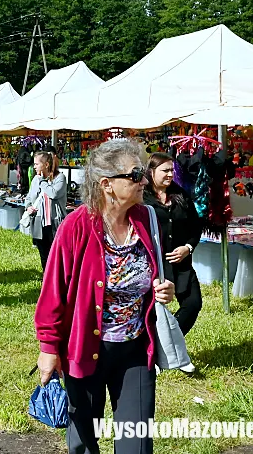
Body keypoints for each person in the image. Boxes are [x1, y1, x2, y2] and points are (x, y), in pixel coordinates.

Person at [35, 139, 175, 454]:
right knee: (84, 442)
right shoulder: (76, 226)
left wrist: (163, 288)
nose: (144, 181)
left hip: (135, 350)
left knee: (137, 444)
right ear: (106, 184)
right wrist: (48, 348)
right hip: (85, 349)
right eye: (135, 175)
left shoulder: (147, 218)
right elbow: (53, 294)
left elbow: (156, 272)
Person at [142, 153, 203, 340]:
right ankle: (152, 347)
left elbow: (196, 226)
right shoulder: (141, 198)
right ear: (151, 172)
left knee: (193, 304)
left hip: (181, 264)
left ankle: (168, 342)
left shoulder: (180, 194)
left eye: (172, 170)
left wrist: (188, 247)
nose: (170, 174)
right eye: (165, 170)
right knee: (151, 312)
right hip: (152, 266)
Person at [25, 151, 68, 271]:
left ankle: (58, 278)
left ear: (46, 165)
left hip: (55, 222)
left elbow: (53, 194)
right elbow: (29, 197)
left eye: (36, 164)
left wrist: (42, 182)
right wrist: (28, 207)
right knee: (43, 254)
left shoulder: (60, 178)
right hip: (39, 222)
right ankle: (46, 278)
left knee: (56, 254)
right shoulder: (36, 179)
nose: (34, 167)